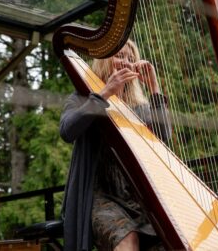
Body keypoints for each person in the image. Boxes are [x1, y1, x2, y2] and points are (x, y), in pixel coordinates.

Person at [59, 40, 171, 251]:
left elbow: (164, 137)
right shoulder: (81, 96)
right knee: (127, 241)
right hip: (99, 195)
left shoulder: (139, 106)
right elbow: (67, 131)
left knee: (168, 242)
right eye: (120, 56)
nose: (126, 63)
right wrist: (105, 93)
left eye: (131, 59)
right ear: (104, 61)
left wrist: (155, 88)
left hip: (138, 198)